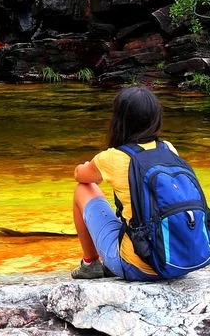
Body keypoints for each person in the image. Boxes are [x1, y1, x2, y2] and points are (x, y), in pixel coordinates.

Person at [70, 85, 176, 280]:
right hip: (176, 260)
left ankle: (90, 263)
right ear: (156, 118)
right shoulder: (168, 148)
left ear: (119, 121)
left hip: (137, 266)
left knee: (82, 189)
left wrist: (88, 165)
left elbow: (80, 175)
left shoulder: (114, 156)